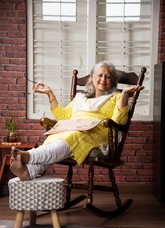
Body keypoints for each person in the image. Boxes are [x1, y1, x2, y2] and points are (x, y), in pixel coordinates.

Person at [10, 61, 144, 181]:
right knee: (57, 137)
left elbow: (119, 121)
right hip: (73, 130)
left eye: (108, 77)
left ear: (112, 81)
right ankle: (29, 171)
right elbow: (63, 116)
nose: (103, 79)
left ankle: (28, 156)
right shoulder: (81, 97)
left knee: (74, 136)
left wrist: (125, 95)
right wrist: (50, 94)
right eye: (100, 75)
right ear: (92, 78)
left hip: (96, 133)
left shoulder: (116, 97)